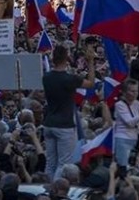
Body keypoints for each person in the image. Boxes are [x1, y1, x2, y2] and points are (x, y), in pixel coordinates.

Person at [43, 43, 95, 180]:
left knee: (50, 163)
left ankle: (46, 190)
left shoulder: (46, 77)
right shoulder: (70, 79)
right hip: (64, 126)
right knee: (63, 164)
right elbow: (91, 83)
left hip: (48, 123)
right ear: (67, 59)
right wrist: (90, 62)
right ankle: (56, 191)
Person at [114, 78, 139, 168]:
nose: (135, 93)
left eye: (136, 91)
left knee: (133, 165)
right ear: (124, 92)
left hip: (134, 138)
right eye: (132, 91)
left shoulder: (136, 103)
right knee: (123, 166)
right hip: (122, 138)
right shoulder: (119, 105)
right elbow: (130, 122)